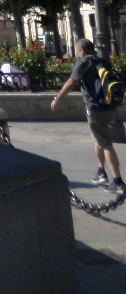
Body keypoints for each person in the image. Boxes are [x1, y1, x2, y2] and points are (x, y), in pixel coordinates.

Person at [51, 37, 126, 192]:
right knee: (97, 138)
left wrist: (58, 98)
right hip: (110, 106)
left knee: (105, 144)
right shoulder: (101, 61)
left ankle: (118, 181)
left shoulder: (83, 62)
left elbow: (72, 82)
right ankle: (101, 171)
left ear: (81, 50)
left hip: (96, 109)